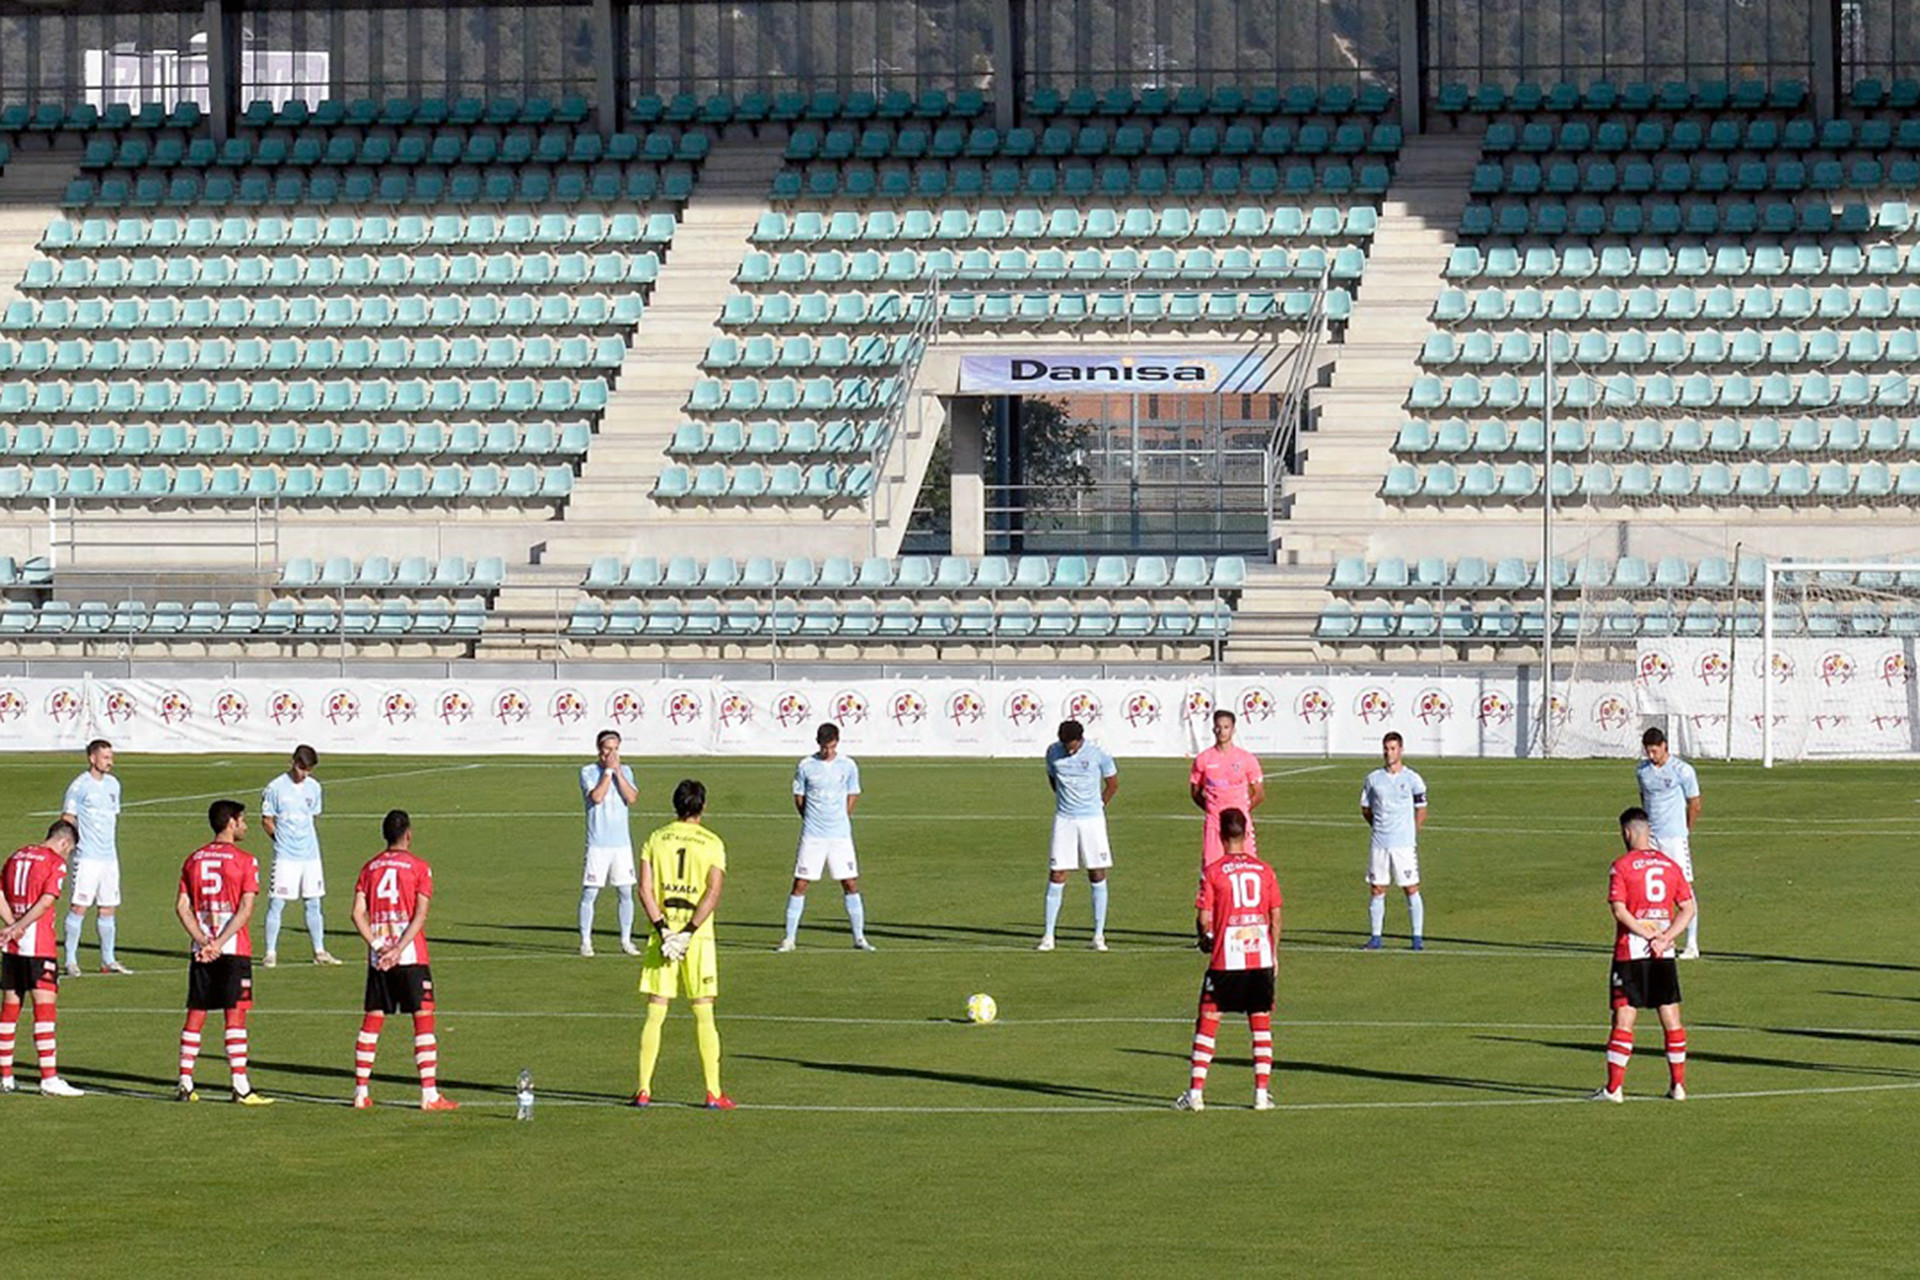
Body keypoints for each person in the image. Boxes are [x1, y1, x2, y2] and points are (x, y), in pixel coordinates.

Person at [349, 810, 457, 1111]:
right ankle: (429, 1094)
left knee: (372, 1020)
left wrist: (378, 946)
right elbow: (420, 915)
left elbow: (357, 914)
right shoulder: (419, 867)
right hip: (410, 956)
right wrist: (398, 949)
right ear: (408, 834)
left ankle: (360, 1092)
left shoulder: (369, 868)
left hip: (378, 958)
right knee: (423, 1019)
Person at [634, 779, 732, 1110]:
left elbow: (645, 890)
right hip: (697, 937)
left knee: (655, 1011)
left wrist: (664, 930)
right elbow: (713, 892)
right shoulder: (712, 842)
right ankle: (713, 1092)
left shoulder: (655, 838)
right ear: (702, 806)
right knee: (704, 1012)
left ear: (675, 804)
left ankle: (644, 1089)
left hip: (662, 936)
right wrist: (688, 932)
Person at [1176, 809, 1281, 1113]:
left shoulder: (1213, 872)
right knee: (1260, 1023)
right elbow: (1275, 916)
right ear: (1246, 833)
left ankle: (1196, 1094)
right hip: (1260, 957)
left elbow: (1203, 918)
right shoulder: (1264, 870)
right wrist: (1274, 953)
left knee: (1208, 1021)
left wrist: (1204, 939)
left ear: (1220, 835)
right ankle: (1261, 1094)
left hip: (1226, 959)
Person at [1592, 807, 1694, 1103]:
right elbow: (1688, 908)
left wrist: (1647, 935)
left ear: (1626, 832)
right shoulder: (1669, 865)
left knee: (1624, 1017)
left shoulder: (1621, 866)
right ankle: (1678, 1086)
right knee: (1671, 1017)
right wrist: (1666, 937)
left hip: (1631, 952)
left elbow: (1619, 910)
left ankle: (1614, 1089)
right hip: (1664, 953)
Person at [174, 800, 273, 1105]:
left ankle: (185, 1082)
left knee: (196, 1013)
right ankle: (240, 1086)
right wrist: (219, 943)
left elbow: (182, 907)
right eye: (242, 820)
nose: (245, 826)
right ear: (231, 822)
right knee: (235, 1015)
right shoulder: (245, 860)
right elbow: (245, 909)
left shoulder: (193, 860)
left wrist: (203, 941)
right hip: (232, 949)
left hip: (201, 950)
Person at [0, 820, 85, 1097]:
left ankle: (5, 1076)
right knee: (44, 1010)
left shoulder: (17, 855)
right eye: (68, 851)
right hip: (39, 946)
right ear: (64, 842)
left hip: (12, 947)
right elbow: (47, 900)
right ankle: (49, 1078)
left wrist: (11, 925)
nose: (67, 856)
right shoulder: (53, 862)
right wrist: (20, 925)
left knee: (9, 1011)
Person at [778, 723, 872, 952]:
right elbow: (799, 797)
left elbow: (853, 793)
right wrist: (810, 818)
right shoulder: (806, 766)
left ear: (837, 742)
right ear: (817, 743)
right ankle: (789, 939)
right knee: (800, 883)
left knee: (850, 883)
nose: (827, 751)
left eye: (830, 746)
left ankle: (859, 938)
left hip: (840, 835)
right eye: (823, 747)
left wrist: (842, 816)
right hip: (813, 835)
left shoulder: (848, 765)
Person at [1038, 719, 1119, 952]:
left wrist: (1099, 805)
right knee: (1057, 873)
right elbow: (1053, 779)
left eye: (1071, 744)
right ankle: (1048, 935)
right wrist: (1065, 800)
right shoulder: (1053, 753)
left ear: (1080, 739)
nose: (1068, 748)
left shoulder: (1097, 753)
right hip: (1065, 819)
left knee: (1096, 871)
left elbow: (1112, 784)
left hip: (1092, 820)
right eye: (1065, 743)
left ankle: (1098, 935)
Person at [261, 745, 339, 967]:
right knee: (277, 903)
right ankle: (270, 952)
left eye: (309, 770)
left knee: (313, 903)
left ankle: (319, 951)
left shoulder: (314, 788)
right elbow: (267, 820)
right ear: (293, 762)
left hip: (310, 855)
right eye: (301, 768)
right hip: (286, 856)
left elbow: (312, 816)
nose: (304, 774)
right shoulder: (275, 788)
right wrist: (280, 840)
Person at [61, 739, 130, 976]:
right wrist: (72, 846)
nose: (110, 762)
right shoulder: (79, 786)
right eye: (106, 757)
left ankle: (107, 960)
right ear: (92, 758)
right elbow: (68, 818)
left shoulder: (113, 785)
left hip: (109, 857)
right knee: (79, 907)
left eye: (111, 757)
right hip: (87, 856)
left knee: (108, 908)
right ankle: (70, 960)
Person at [1359, 732, 1429, 951]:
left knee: (1411, 887)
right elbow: (1365, 808)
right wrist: (1378, 826)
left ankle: (1417, 938)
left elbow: (1422, 809)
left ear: (1401, 750)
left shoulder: (1412, 779)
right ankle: (1375, 938)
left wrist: (1412, 832)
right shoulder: (1373, 779)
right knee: (1377, 888)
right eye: (1386, 749)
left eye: (1393, 748)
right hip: (1380, 843)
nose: (1389, 753)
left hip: (1403, 844)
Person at [1635, 728, 1702, 958]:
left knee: (1684, 888)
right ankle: (1659, 939)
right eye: (1648, 751)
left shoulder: (1682, 771)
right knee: (1653, 887)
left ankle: (1691, 943)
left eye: (1654, 751)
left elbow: (1695, 803)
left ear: (1665, 746)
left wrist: (1685, 830)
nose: (1651, 755)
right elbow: (1644, 797)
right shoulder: (1642, 771)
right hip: (1651, 837)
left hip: (1674, 837)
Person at [578, 729, 641, 958]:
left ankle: (626, 940)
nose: (612, 754)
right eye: (608, 749)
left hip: (621, 844)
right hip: (598, 843)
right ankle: (586, 941)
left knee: (625, 892)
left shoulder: (626, 771)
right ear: (599, 750)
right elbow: (596, 797)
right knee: (590, 893)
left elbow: (632, 798)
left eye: (616, 749)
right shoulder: (588, 771)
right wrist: (607, 772)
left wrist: (618, 773)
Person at [1190, 710, 1266, 873]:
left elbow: (1259, 794)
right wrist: (1212, 808)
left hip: (1240, 822)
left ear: (1233, 729)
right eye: (1218, 727)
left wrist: (1241, 811)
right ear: (1213, 729)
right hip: (1214, 822)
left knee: (1247, 866)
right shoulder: (1203, 759)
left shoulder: (1247, 759)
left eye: (1226, 727)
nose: (1222, 731)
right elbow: (1195, 792)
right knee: (1211, 869)